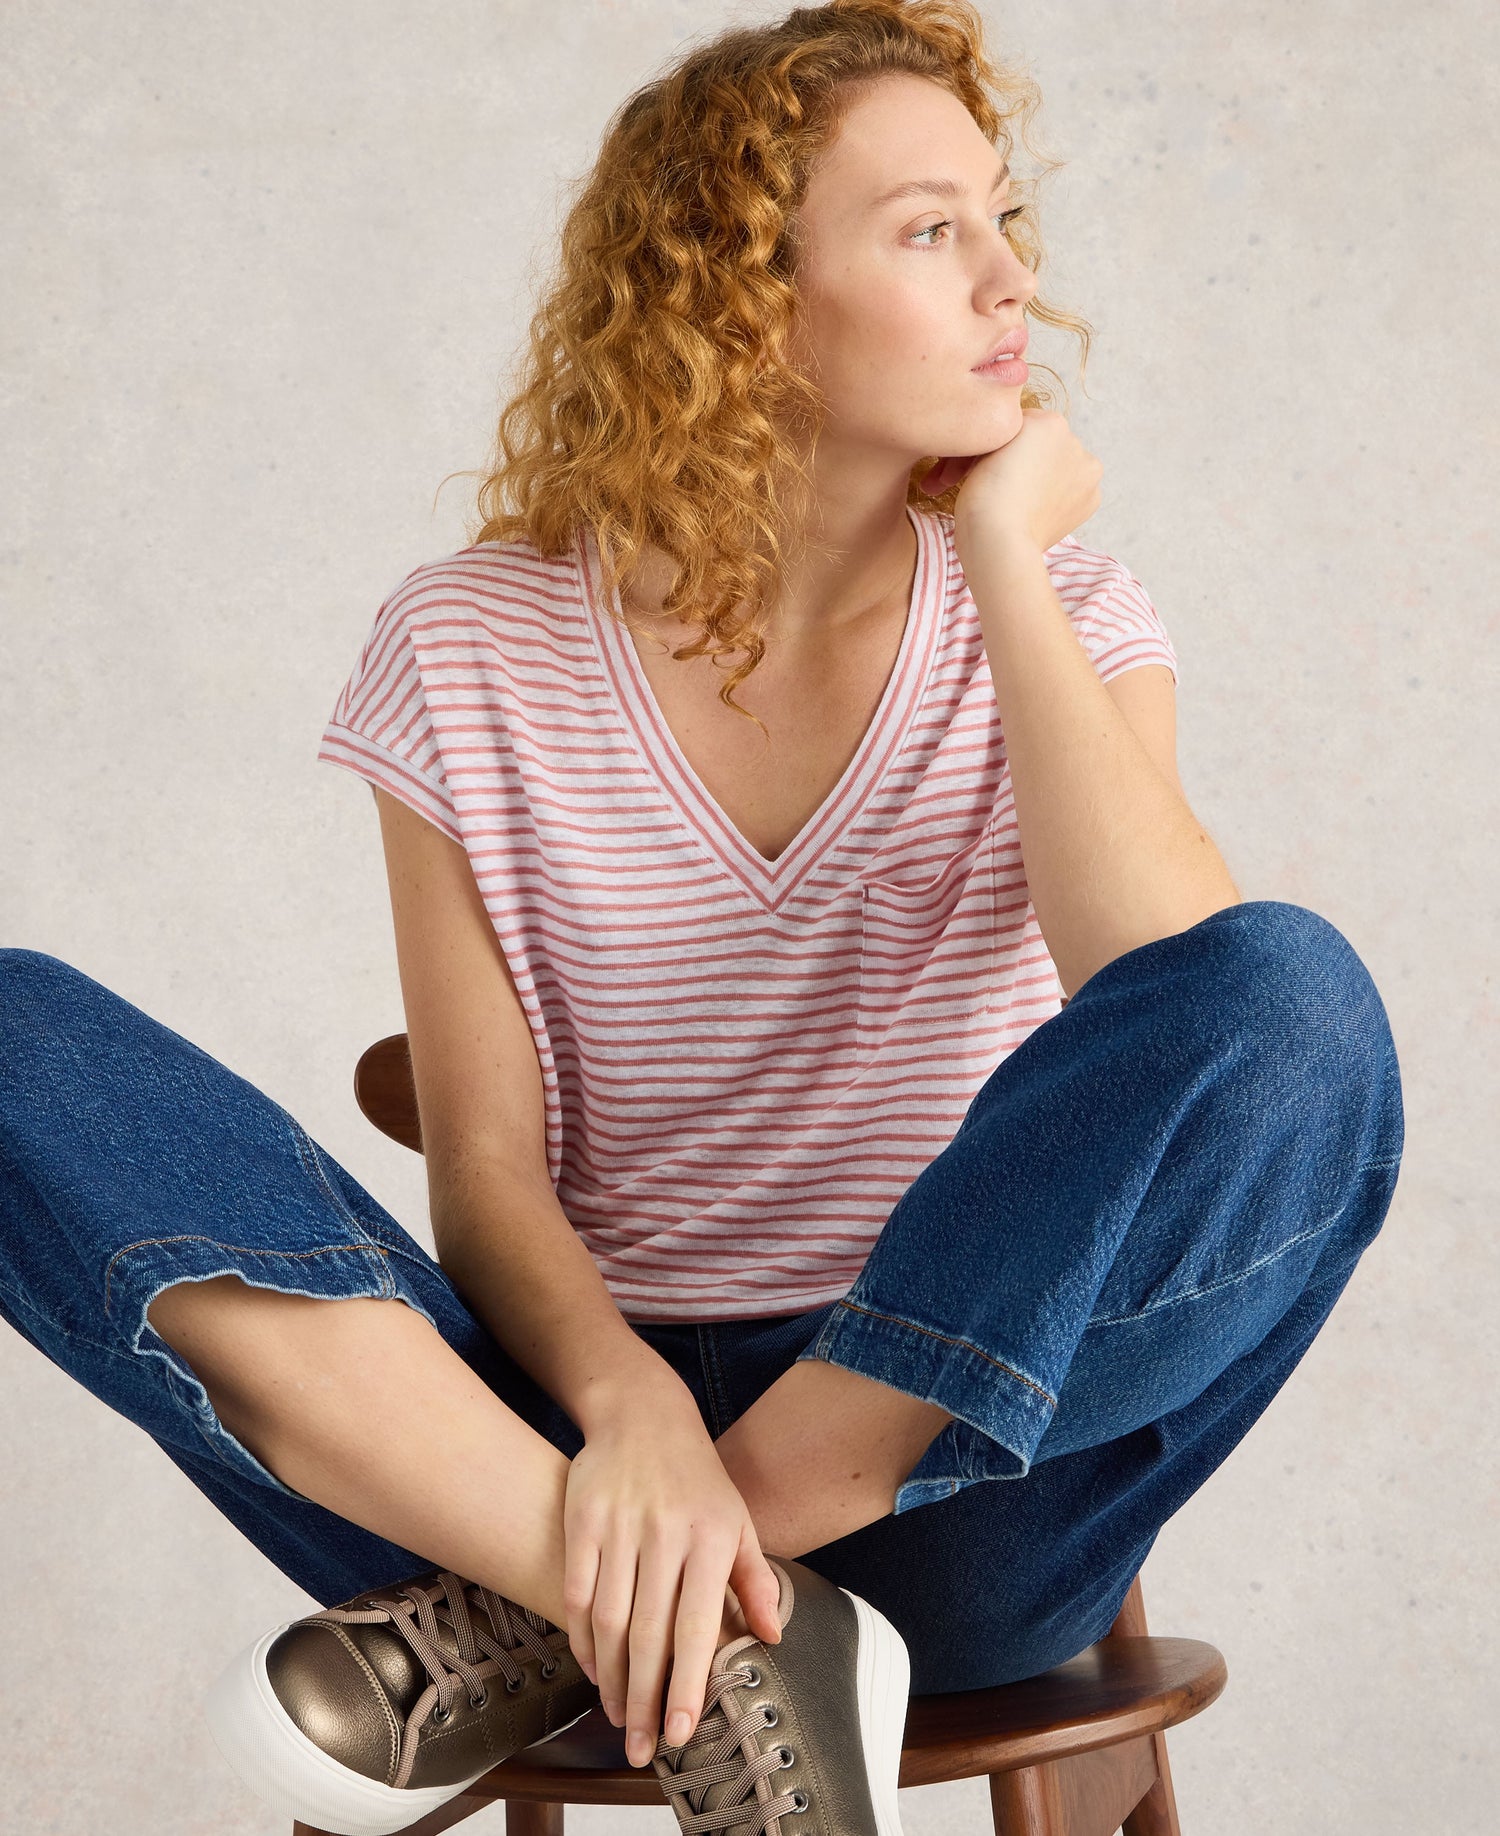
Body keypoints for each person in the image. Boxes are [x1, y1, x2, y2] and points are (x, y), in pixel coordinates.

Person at [0, 5, 1404, 1834]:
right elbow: (487, 1170)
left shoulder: (1061, 615)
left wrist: (1002, 560)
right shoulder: (470, 643)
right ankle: (664, 1597)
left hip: (948, 1492)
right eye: (929, 230)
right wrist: (627, 1432)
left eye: (1001, 218)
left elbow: (1188, 1014)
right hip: (540, 1437)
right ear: (749, 299)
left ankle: (571, 1603)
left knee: (1295, 996)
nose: (1015, 281)